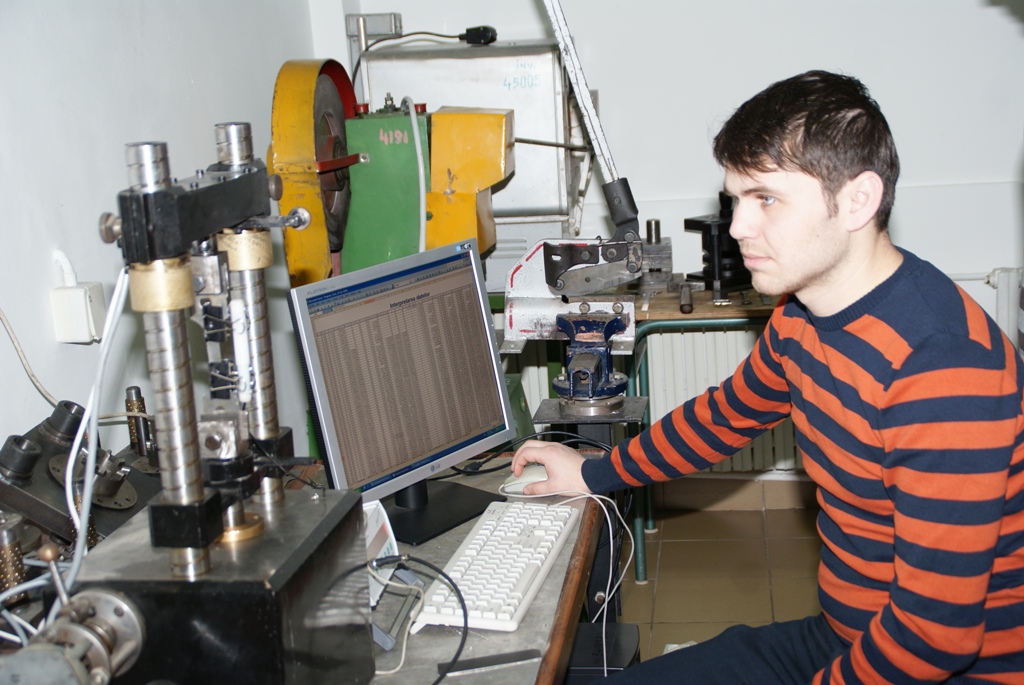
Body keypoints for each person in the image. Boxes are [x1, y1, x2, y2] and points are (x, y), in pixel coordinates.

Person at [511, 70, 1024, 684]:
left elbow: (934, 637)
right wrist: (594, 473)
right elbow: (725, 417)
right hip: (845, 634)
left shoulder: (941, 366)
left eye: (767, 199)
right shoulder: (800, 314)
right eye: (736, 200)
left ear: (858, 200)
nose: (736, 228)